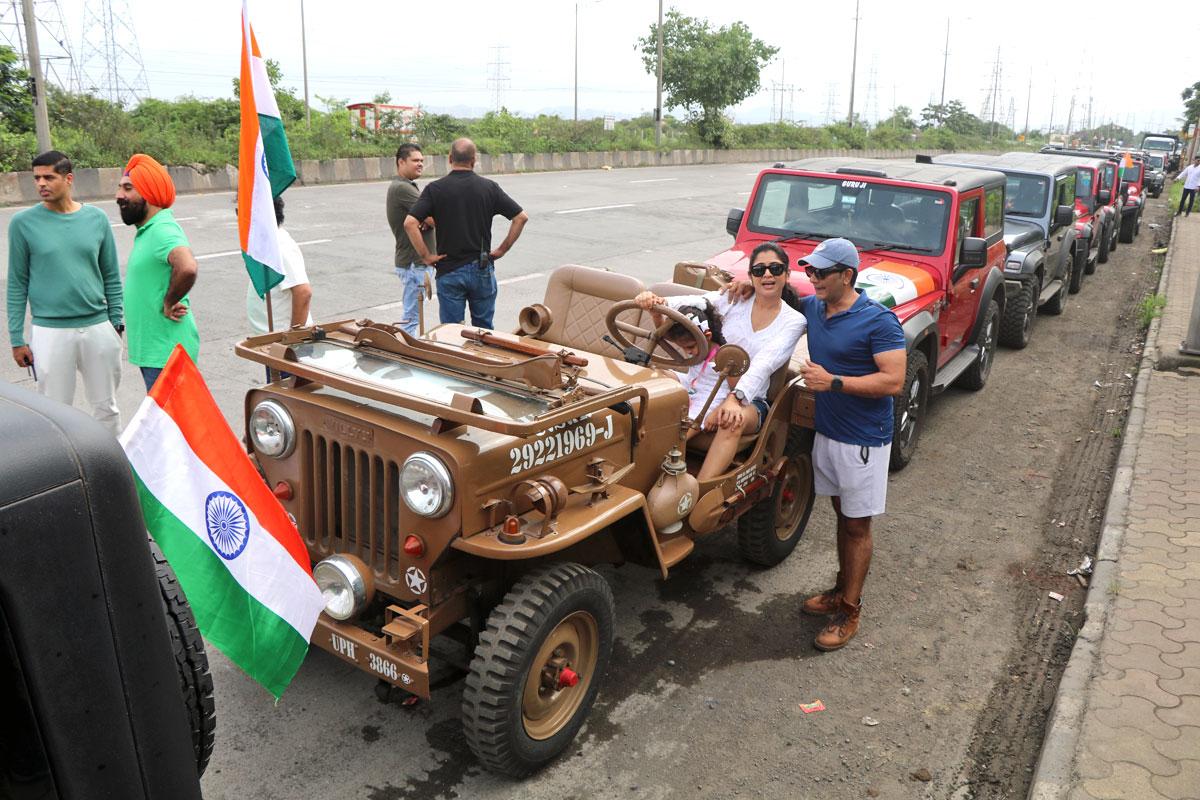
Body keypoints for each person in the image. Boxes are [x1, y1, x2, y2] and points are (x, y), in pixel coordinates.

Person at [792, 238, 905, 651]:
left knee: (857, 525)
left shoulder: (879, 321)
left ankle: (850, 611)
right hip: (828, 432)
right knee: (843, 515)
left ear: (847, 275)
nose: (813, 279)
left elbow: (893, 381)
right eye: (810, 272)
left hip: (863, 440)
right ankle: (841, 591)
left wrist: (834, 382)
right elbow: (772, 295)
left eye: (822, 273)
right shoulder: (814, 307)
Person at [634, 242, 807, 481]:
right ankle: (637, 463)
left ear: (787, 275)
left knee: (730, 420)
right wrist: (656, 302)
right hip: (701, 379)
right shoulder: (735, 298)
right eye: (759, 270)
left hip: (749, 396)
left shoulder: (793, 321)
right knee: (653, 381)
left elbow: (764, 364)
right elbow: (696, 304)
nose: (767, 274)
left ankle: (700, 491)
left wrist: (735, 399)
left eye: (775, 269)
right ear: (751, 276)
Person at [6, 150, 124, 435]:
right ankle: (68, 473)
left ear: (68, 179)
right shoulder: (23, 224)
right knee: (55, 413)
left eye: (49, 177)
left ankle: (114, 469)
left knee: (106, 408)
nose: (41, 184)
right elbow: (16, 284)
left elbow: (111, 274)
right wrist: (16, 339)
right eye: (36, 178)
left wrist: (116, 320)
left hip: (98, 327)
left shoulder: (96, 219)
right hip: (50, 331)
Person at [403, 138, 529, 330]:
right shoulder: (489, 188)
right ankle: (483, 358)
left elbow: (410, 223)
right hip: (481, 268)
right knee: (484, 331)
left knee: (451, 332)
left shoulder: (435, 189)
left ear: (450, 158)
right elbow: (520, 218)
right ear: (474, 160)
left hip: (449, 270)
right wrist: (502, 250)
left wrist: (426, 256)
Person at [117, 154, 200, 391]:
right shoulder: (148, 230)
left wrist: (169, 300)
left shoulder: (162, 228)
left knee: (172, 425)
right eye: (120, 187)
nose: (118, 196)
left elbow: (187, 267)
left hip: (166, 352)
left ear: (149, 194)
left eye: (128, 188)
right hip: (157, 351)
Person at [386, 143, 436, 336]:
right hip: (414, 263)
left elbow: (428, 217)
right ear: (401, 162)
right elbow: (434, 218)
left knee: (412, 315)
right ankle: (406, 358)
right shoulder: (402, 188)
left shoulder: (406, 186)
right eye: (415, 160)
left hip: (414, 263)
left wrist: (425, 219)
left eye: (422, 160)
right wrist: (427, 219)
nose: (420, 164)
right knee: (411, 318)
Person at [246, 194, 313, 334]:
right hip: (269, 339)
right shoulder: (266, 243)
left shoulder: (279, 246)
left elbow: (303, 292)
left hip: (281, 343)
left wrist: (293, 340)